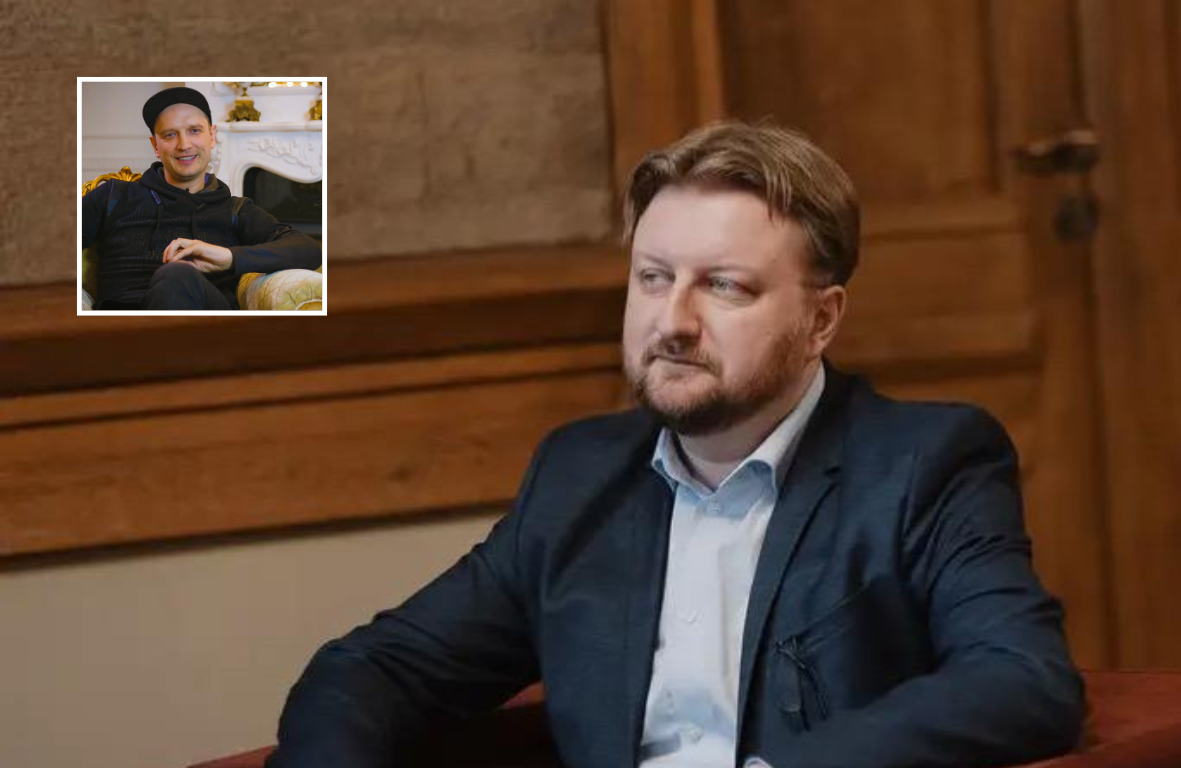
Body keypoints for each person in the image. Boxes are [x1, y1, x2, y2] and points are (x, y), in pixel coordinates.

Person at [266, 121, 1084, 768]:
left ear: (821, 320)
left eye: (724, 286)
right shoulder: (579, 476)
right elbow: (372, 672)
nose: (673, 322)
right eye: (653, 278)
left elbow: (1022, 680)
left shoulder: (923, 464)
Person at [81, 86, 320, 310]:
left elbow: (309, 249)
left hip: (205, 324)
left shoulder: (236, 210)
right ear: (155, 145)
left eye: (194, 131)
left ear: (212, 136)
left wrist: (228, 257)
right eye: (170, 135)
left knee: (176, 275)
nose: (184, 145)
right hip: (122, 326)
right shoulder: (114, 197)